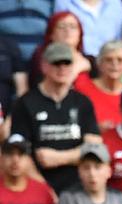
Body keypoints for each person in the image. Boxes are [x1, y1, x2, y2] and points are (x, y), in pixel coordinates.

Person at [10, 41, 101, 193]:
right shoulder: (25, 103)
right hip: (38, 186)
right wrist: (45, 192)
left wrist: (60, 158)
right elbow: (20, 153)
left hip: (78, 188)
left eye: (67, 63)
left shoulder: (82, 102)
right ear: (44, 66)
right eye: (56, 63)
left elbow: (95, 148)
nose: (62, 68)